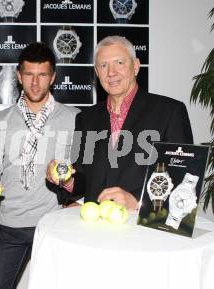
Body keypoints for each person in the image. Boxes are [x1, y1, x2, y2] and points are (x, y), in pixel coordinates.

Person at [0, 42, 80, 289]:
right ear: (19, 76)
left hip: (54, 223)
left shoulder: (75, 118)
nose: (35, 83)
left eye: (42, 75)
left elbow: (86, 171)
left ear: (53, 77)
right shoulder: (0, 120)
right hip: (10, 224)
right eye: (29, 75)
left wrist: (79, 199)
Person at [47, 35, 193, 210]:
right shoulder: (86, 118)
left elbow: (183, 177)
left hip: (144, 228)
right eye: (103, 65)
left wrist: (139, 201)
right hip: (95, 229)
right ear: (97, 72)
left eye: (119, 63)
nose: (111, 72)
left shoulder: (170, 111)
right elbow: (85, 179)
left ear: (136, 66)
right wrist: (68, 180)